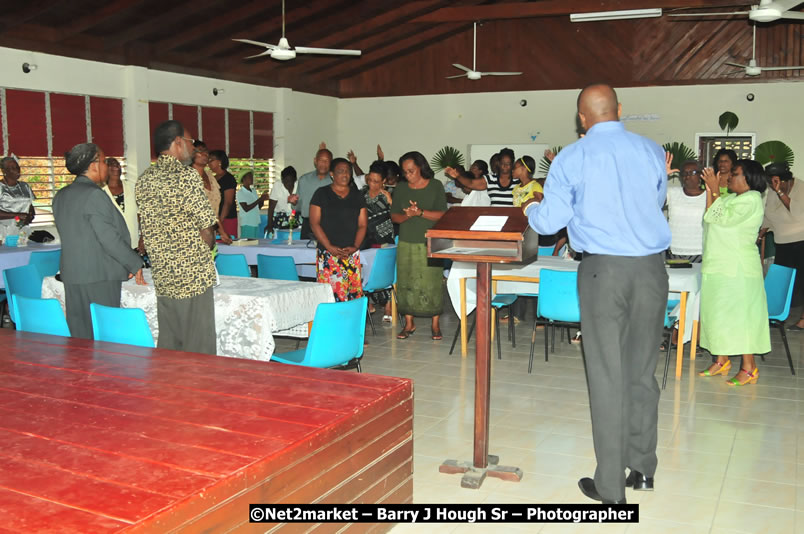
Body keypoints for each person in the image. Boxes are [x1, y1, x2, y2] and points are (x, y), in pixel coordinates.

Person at [524, 84, 671, 504]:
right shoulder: (649, 150)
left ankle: (610, 487)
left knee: (607, 376)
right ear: (620, 110)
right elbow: (655, 200)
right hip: (650, 270)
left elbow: (551, 221)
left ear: (582, 119)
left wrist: (530, 209)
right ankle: (642, 468)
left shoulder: (573, 156)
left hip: (603, 271)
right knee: (641, 371)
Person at [136, 120, 218, 354]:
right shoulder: (187, 177)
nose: (193, 149)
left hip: (163, 272)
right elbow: (206, 227)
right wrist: (205, 253)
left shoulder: (144, 179)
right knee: (198, 343)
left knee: (171, 340)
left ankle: (169, 386)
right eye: (191, 143)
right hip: (192, 273)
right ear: (179, 143)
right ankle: (198, 389)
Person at [53, 143, 145, 339]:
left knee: (80, 335)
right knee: (103, 337)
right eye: (103, 161)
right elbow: (108, 238)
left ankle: (80, 370)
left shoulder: (61, 195)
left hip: (73, 274)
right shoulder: (94, 195)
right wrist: (135, 262)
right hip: (99, 276)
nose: (106, 166)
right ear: (93, 165)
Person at [698, 160, 771, 384]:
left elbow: (723, 218)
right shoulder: (730, 198)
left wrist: (714, 190)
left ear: (749, 179)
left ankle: (749, 367)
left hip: (738, 269)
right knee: (718, 315)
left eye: (735, 174)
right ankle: (722, 360)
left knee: (741, 318)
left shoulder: (752, 199)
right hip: (718, 265)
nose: (729, 177)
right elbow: (710, 216)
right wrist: (712, 190)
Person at [391, 151, 447, 340]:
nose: (408, 175)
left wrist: (420, 212)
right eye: (405, 172)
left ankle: (435, 324)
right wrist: (408, 215)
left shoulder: (436, 186)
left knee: (431, 282)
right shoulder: (400, 188)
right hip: (406, 240)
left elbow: (442, 214)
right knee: (407, 282)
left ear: (421, 168)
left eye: (411, 171)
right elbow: (394, 216)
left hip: (430, 240)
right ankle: (409, 323)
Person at [309, 158, 368, 302]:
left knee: (352, 295)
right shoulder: (321, 194)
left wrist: (355, 247)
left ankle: (352, 324)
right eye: (340, 171)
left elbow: (362, 225)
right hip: (329, 253)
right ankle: (331, 324)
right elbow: (314, 223)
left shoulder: (357, 195)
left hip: (351, 254)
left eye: (348, 171)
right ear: (332, 174)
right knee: (330, 296)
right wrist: (330, 247)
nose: (345, 175)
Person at [761, 162, 804, 329]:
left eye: (778, 183)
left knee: (802, 282)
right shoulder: (773, 191)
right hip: (782, 243)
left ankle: (802, 319)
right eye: (771, 183)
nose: (774, 186)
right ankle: (780, 315)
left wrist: (780, 192)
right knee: (783, 282)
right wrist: (759, 234)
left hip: (801, 241)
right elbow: (768, 215)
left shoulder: (800, 188)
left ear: (788, 180)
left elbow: (798, 213)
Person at [666, 159, 706, 262]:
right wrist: (662, 176)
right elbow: (651, 199)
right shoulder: (672, 193)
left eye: (692, 173)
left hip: (701, 252)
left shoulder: (709, 196)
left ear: (701, 175)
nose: (687, 176)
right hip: (674, 251)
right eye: (684, 173)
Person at [191, 141, 231, 244]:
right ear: (190, 154)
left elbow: (214, 212)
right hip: (192, 234)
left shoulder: (210, 176)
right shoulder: (187, 178)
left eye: (206, 151)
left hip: (210, 233)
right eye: (200, 151)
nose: (205, 154)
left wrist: (222, 232)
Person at [451, 149, 519, 206]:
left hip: (513, 218)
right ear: (499, 163)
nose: (505, 166)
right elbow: (471, 183)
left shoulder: (518, 180)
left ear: (512, 164)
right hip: (494, 218)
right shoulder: (490, 179)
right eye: (502, 163)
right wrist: (457, 176)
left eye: (508, 163)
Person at [102, 157, 142, 253]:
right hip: (111, 248)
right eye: (111, 164)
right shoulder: (100, 193)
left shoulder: (133, 188)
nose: (116, 166)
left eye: (117, 164)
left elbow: (142, 215)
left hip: (134, 245)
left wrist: (143, 238)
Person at [297, 148, 333, 239]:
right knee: (305, 253)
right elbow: (298, 207)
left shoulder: (335, 182)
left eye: (327, 161)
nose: (324, 164)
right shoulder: (304, 180)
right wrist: (294, 203)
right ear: (315, 161)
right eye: (321, 160)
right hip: (308, 225)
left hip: (329, 225)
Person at [0, 156, 35, 232]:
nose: (17, 170)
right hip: (4, 230)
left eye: (17, 167)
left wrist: (30, 215)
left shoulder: (25, 186)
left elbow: (30, 206)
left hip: (23, 229)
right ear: (4, 171)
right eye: (12, 168)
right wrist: (17, 215)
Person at [208, 149, 238, 238]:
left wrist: (219, 222)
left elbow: (228, 203)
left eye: (211, 160)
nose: (208, 163)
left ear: (220, 162)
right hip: (214, 219)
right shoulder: (212, 178)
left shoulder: (228, 179)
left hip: (227, 218)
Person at [267, 166, 299, 235]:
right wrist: (269, 225)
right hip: (280, 218)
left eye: (290, 181)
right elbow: (271, 207)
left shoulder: (299, 186)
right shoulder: (277, 186)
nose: (288, 184)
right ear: (282, 180)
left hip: (295, 218)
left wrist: (295, 203)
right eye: (285, 181)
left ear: (295, 179)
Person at [237, 171, 269, 239]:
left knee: (255, 245)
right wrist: (259, 200)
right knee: (247, 246)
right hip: (247, 223)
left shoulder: (253, 190)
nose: (252, 179)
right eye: (249, 177)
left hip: (256, 222)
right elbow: (246, 208)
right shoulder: (240, 193)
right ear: (244, 179)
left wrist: (263, 199)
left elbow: (258, 207)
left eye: (252, 177)